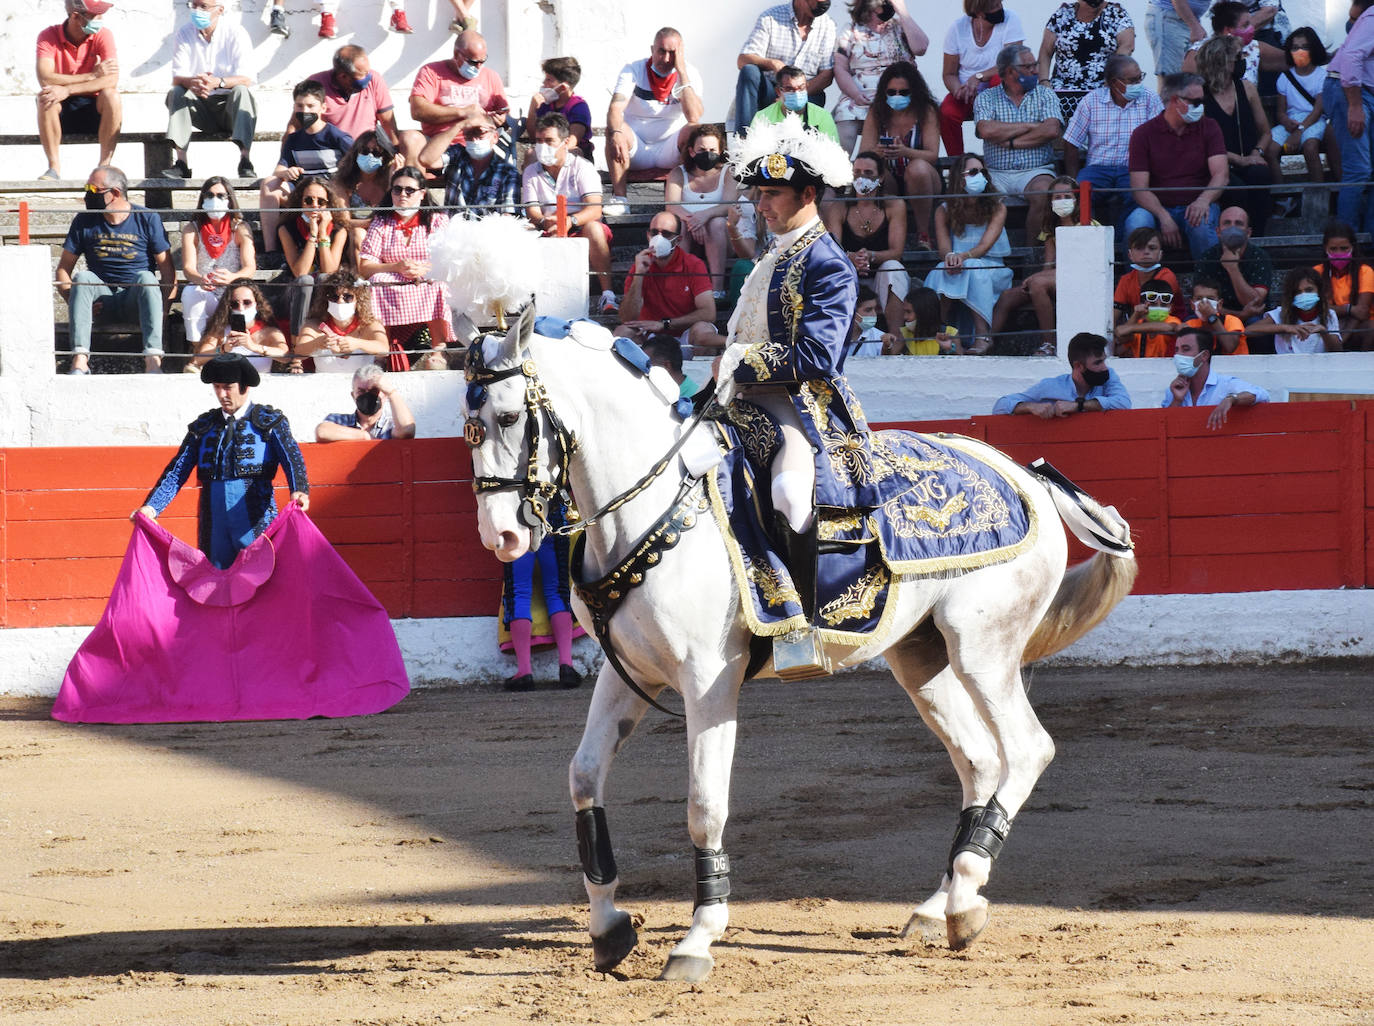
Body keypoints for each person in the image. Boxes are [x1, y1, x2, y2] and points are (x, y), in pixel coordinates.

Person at [712, 117, 862, 663]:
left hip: (799, 407)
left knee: (790, 496)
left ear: (808, 195)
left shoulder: (829, 264)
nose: (761, 205)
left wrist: (738, 361)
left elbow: (817, 357)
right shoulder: (772, 256)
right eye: (758, 194)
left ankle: (802, 627)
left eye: (772, 194)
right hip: (737, 402)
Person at [135, 353, 309, 569]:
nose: (221, 394)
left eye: (228, 387)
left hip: (255, 516)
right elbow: (178, 470)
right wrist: (152, 507)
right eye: (217, 387)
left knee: (262, 573)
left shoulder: (269, 422)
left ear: (245, 386)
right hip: (214, 518)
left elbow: (292, 458)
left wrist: (300, 490)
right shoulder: (204, 426)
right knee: (216, 576)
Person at [55, 165, 174, 375]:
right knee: (83, 277)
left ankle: (153, 360)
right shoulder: (84, 220)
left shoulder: (147, 218)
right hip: (102, 301)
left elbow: (167, 271)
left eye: (93, 190)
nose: (87, 195)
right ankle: (80, 361)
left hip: (135, 301)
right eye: (87, 188)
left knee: (146, 277)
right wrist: (75, 301)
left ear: (115, 193)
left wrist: (162, 309)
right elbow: (63, 269)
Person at [1124, 72, 1228, 259]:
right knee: (1136, 223)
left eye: (1202, 101)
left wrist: (1203, 200)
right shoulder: (1143, 134)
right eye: (1195, 102)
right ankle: (1135, 276)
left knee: (1202, 226)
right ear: (1174, 100)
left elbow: (1221, 174)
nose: (1201, 107)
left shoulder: (1210, 127)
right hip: (1156, 207)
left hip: (1197, 203)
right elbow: (1139, 188)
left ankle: (1209, 276)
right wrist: (1163, 216)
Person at [522, 112, 617, 314]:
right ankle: (525, 300)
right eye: (538, 141)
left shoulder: (583, 167)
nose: (542, 146)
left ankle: (608, 295)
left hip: (580, 225)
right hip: (547, 226)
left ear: (565, 142)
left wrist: (569, 221)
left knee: (594, 228)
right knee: (521, 233)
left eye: (549, 141)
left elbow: (594, 209)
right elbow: (532, 211)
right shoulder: (531, 171)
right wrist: (545, 222)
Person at [605, 27, 704, 215]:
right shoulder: (633, 69)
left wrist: (682, 72)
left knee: (695, 130)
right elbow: (615, 109)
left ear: (680, 53)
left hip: (670, 149)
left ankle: (686, 198)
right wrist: (616, 132)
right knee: (614, 128)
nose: (666, 59)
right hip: (635, 148)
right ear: (652, 49)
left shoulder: (690, 73)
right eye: (661, 51)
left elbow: (694, 117)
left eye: (672, 53)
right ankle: (620, 199)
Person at [360, 165, 454, 359]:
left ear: (422, 194)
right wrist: (396, 267)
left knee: (437, 282)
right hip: (392, 276)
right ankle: (382, 350)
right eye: (397, 189)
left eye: (410, 190)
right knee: (377, 281)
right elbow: (365, 266)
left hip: (428, 274)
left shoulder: (437, 220)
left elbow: (449, 258)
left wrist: (424, 268)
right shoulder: (381, 221)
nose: (403, 194)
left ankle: (438, 350)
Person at [974, 43, 1064, 241]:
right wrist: (1031, 126)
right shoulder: (987, 97)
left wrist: (1011, 143)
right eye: (1028, 66)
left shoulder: (1045, 94)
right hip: (996, 173)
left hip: (1036, 171)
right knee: (976, 194)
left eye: (1035, 64)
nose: (1035, 70)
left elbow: (1051, 129)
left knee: (1044, 192)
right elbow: (986, 130)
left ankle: (1032, 252)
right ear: (1009, 71)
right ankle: (988, 253)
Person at [991, 175, 1091, 352]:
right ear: (1050, 202)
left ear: (1077, 199)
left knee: (1037, 283)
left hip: (1079, 280)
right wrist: (1038, 278)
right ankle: (987, 341)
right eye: (1057, 197)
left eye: (1067, 197)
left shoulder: (1088, 226)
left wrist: (1035, 278)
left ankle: (1048, 344)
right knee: (1007, 296)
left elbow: (1079, 267)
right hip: (1055, 281)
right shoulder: (1050, 229)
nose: (1062, 201)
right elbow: (1048, 265)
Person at [923, 152, 1012, 352]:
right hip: (958, 265)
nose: (979, 176)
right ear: (959, 178)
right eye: (973, 172)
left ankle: (982, 336)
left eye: (982, 172)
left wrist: (962, 257)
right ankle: (937, 331)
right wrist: (950, 258)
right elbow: (944, 247)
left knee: (973, 266)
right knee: (940, 270)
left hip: (992, 267)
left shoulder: (998, 207)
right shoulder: (944, 209)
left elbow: (984, 246)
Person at [1063, 55, 1162, 227]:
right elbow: (1071, 141)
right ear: (1115, 82)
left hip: (1133, 169)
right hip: (1097, 169)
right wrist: (1073, 180)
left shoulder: (1150, 99)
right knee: (1079, 197)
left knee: (1138, 198)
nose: (1139, 83)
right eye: (1133, 80)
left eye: (1140, 77)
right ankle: (1090, 235)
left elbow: (1160, 140)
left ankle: (1122, 238)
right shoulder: (1091, 101)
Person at [162, 0, 256, 180]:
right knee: (177, 93)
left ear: (219, 10)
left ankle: (245, 160)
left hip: (229, 107)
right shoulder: (184, 33)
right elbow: (177, 78)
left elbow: (246, 78)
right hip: (200, 105)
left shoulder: (236, 33)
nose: (197, 10)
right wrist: (195, 82)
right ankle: (181, 163)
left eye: (203, 6)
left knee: (242, 91)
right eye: (194, 5)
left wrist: (218, 82)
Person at [259, 79, 354, 252]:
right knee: (268, 184)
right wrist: (287, 173)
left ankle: (348, 247)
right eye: (300, 106)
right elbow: (279, 169)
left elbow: (356, 164)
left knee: (339, 187)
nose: (305, 111)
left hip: (330, 197)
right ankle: (270, 251)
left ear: (323, 108)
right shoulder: (293, 139)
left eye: (311, 106)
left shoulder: (337, 137)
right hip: (303, 197)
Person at [500, 493, 581, 692]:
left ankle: (524, 671)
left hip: (516, 516)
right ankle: (566, 665)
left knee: (518, 592)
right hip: (551, 513)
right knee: (557, 590)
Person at [823, 151, 909, 333]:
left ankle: (895, 337)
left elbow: (896, 252)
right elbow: (832, 250)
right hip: (849, 274)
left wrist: (870, 256)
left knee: (894, 268)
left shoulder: (894, 205)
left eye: (868, 173)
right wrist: (850, 258)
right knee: (833, 268)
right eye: (857, 172)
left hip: (881, 277)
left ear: (881, 177)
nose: (861, 177)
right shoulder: (838, 207)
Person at [35, 0, 121, 180]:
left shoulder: (103, 35)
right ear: (75, 16)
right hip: (60, 110)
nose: (100, 19)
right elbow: (45, 78)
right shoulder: (48, 35)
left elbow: (111, 79)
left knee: (112, 95)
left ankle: (104, 166)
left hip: (94, 109)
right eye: (95, 15)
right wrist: (92, 75)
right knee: (45, 97)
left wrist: (67, 89)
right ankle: (54, 168)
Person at [1196, 35, 1274, 234]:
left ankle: (1257, 234)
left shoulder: (1246, 88)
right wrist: (1239, 160)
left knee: (1260, 175)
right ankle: (1230, 236)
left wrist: (1256, 153)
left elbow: (1265, 132)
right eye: (1237, 57)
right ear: (1221, 61)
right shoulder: (1200, 95)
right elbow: (1200, 143)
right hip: (1217, 164)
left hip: (1249, 157)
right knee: (1234, 187)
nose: (1242, 61)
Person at [858, 60, 941, 244]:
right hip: (889, 178)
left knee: (917, 169)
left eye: (903, 92)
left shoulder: (926, 111)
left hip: (924, 179)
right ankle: (882, 236)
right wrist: (878, 152)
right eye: (891, 92)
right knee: (871, 173)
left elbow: (932, 155)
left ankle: (923, 234)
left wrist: (905, 152)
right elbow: (863, 155)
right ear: (884, 92)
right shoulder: (877, 111)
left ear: (914, 91)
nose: (897, 96)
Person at [832, 0, 929, 155]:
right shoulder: (850, 30)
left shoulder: (900, 26)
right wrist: (855, 94)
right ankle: (841, 168)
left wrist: (903, 12)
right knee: (845, 117)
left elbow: (921, 48)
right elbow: (840, 67)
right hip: (861, 94)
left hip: (899, 92)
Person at [616, 211, 720, 355]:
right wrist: (639, 275)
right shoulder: (640, 264)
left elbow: (709, 313)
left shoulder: (693, 264)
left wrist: (665, 324)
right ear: (648, 235)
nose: (658, 238)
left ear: (678, 240)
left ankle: (732, 347)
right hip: (650, 337)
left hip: (685, 336)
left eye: (666, 234)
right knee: (622, 333)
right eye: (654, 233)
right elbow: (627, 318)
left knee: (703, 330)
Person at [409, 30, 510, 173]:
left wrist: (501, 119)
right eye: (473, 62)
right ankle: (414, 185)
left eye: (482, 61)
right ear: (457, 55)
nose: (478, 67)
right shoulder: (431, 72)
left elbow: (504, 115)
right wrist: (463, 113)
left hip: (479, 144)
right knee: (410, 138)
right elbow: (417, 110)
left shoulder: (491, 76)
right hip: (440, 145)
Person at [735, 0, 837, 135]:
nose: (823, 4)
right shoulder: (770, 18)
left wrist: (795, 94)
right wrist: (773, 64)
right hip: (772, 90)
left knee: (813, 104)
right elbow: (743, 60)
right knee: (749, 72)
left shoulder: (828, 25)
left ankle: (805, 145)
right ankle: (744, 138)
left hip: (807, 92)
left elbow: (827, 75)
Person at [940, 0, 1026, 157]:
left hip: (998, 89)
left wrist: (978, 77)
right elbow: (949, 74)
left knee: (1000, 80)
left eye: (1000, 3)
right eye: (994, 6)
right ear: (979, 12)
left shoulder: (1011, 19)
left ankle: (1002, 154)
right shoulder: (957, 28)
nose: (1000, 8)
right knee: (947, 112)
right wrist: (959, 90)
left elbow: (1011, 63)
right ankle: (958, 163)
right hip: (969, 93)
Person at [180, 176, 257, 351]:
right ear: (202, 199)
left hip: (232, 294)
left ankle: (228, 348)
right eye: (209, 195)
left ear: (229, 199)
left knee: (243, 297)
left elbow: (250, 268)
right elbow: (188, 268)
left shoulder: (240, 227)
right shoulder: (192, 228)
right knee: (191, 291)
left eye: (221, 196)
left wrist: (233, 278)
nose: (215, 200)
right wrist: (200, 280)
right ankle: (198, 348)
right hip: (206, 291)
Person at [665, 125, 739, 298]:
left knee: (717, 223)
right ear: (691, 152)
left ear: (720, 151)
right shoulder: (678, 173)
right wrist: (693, 221)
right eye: (702, 150)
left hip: (721, 239)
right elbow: (672, 206)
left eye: (713, 150)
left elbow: (728, 205)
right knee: (680, 224)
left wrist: (704, 216)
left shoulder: (728, 172)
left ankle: (717, 289)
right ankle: (682, 287)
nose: (708, 154)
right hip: (689, 235)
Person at [275, 177, 349, 343]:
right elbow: (299, 272)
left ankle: (323, 337)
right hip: (294, 291)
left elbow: (330, 271)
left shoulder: (339, 230)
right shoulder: (287, 228)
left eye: (321, 202)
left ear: (328, 205)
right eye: (309, 200)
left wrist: (322, 233)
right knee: (306, 280)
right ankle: (297, 343)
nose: (314, 205)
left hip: (324, 289)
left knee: (324, 278)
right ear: (300, 202)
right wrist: (312, 235)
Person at [306, 45, 411, 160]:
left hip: (367, 154)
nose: (368, 77)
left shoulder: (374, 79)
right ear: (343, 76)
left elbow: (388, 122)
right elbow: (298, 123)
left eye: (368, 72)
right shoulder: (316, 84)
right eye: (363, 75)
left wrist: (395, 153)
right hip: (330, 154)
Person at [1037, 0, 1134, 121]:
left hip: (1102, 90)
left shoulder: (1116, 13)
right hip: (1061, 92)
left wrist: (1112, 79)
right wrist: (1044, 82)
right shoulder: (1062, 14)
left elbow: (1127, 46)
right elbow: (1045, 51)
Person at [992, 331, 1131, 415]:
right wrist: (1030, 406)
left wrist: (1078, 405)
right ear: (1078, 366)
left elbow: (1124, 403)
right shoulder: (1050, 386)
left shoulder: (1108, 376)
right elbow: (1000, 406)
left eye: (1104, 361)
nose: (1104, 368)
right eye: (1097, 363)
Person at [1162, 325, 1270, 430]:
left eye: (1186, 349)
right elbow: (1164, 427)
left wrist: (1232, 399)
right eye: (1176, 350)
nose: (1178, 355)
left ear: (1204, 355)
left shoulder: (1225, 384)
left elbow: (1262, 395)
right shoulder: (1174, 390)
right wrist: (1177, 400)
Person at [1264, 28, 1335, 187]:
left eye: (1305, 47)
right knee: (1269, 150)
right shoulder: (1285, 77)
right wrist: (1287, 122)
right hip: (1292, 122)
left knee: (1310, 147)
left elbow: (1317, 110)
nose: (1300, 51)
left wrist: (1300, 130)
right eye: (1295, 47)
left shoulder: (1321, 76)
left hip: (1313, 121)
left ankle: (1318, 192)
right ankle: (1282, 194)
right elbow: (1281, 111)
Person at [295, 273, 391, 374]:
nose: (340, 301)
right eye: (334, 297)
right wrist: (318, 343)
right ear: (326, 300)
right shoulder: (315, 325)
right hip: (324, 383)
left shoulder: (368, 324)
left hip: (361, 383)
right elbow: (298, 352)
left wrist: (357, 343)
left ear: (358, 300)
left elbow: (384, 349)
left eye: (347, 297)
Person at [1195, 206, 1274, 322]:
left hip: (1254, 318)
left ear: (1248, 233)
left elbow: (1255, 303)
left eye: (1238, 223)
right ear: (1218, 232)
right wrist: (1240, 315)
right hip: (1216, 316)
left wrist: (1233, 268)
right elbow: (1202, 304)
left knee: (1254, 321)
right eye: (1227, 223)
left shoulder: (1260, 257)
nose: (1232, 228)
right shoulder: (1207, 258)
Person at [190, 281, 289, 373]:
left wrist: (253, 347)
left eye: (247, 302)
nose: (241, 308)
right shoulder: (220, 330)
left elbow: (286, 356)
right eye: (234, 304)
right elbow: (197, 360)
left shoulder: (269, 332)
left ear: (257, 304)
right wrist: (223, 348)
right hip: (227, 383)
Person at [1181, 0, 1286, 84]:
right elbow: (1186, 88)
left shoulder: (1253, 47)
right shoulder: (1198, 52)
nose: (1252, 28)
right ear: (1227, 30)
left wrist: (1295, 44)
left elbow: (1289, 60)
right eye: (1245, 25)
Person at [1244, 266, 1343, 352]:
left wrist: (1324, 332)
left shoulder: (1329, 314)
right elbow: (1248, 331)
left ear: (1319, 291)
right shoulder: (1280, 313)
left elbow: (1337, 350)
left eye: (1309, 290)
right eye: (1297, 292)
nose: (1303, 295)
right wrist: (1285, 328)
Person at [522, 56, 593, 163]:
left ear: (563, 87)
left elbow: (572, 141)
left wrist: (551, 155)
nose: (544, 83)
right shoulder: (546, 105)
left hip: (570, 152)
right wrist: (533, 108)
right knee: (530, 154)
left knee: (575, 152)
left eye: (549, 80)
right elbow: (533, 136)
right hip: (548, 149)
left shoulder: (578, 107)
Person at [444, 117, 520, 217]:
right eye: (469, 134)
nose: (474, 139)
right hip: (451, 224)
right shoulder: (456, 154)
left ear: (495, 137)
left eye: (480, 133)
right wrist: (458, 126)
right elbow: (427, 160)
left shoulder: (508, 172)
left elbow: (508, 215)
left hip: (488, 226)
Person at [1315, 221, 1373, 350]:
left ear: (1353, 248)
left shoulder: (1365, 271)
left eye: (1344, 248)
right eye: (1333, 249)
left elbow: (1362, 312)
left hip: (1358, 327)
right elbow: (1318, 308)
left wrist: (1341, 341)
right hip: (1328, 325)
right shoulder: (1317, 272)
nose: (1338, 253)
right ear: (1325, 249)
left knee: (1371, 329)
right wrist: (1349, 309)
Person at [317, 364, 415, 440]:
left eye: (374, 391)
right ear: (353, 396)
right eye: (361, 391)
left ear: (385, 395)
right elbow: (322, 431)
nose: (367, 395)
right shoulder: (339, 421)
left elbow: (407, 430)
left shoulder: (391, 425)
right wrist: (365, 436)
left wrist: (392, 393)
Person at [1113, 225, 1186, 324]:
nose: (1146, 252)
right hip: (1140, 324)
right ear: (1130, 255)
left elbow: (1158, 317)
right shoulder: (1126, 280)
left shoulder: (1167, 276)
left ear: (1160, 254)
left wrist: (1126, 329)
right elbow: (1113, 317)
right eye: (1139, 248)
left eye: (1152, 248)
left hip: (1171, 325)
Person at [751, 65, 840, 142]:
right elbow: (754, 151)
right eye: (790, 89)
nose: (797, 93)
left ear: (806, 87)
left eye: (801, 88)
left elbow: (832, 151)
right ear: (778, 91)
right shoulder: (762, 117)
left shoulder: (822, 116)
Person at [1115, 275, 1182, 357]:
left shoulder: (1173, 320)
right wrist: (1136, 315)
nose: (1158, 307)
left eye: (1163, 305)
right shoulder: (1137, 323)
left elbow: (1170, 326)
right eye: (1153, 304)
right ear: (1142, 305)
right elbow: (1122, 339)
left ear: (1170, 308)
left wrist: (1131, 328)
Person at [1184, 273, 1249, 353]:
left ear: (1220, 304)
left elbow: (1230, 347)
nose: (1205, 302)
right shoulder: (1190, 324)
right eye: (1199, 298)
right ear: (1192, 305)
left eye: (1210, 298)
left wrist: (1211, 317)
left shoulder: (1232, 320)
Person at [1144, 0, 1208, 78]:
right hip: (1169, 18)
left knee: (1191, 77)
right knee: (1171, 77)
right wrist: (1195, 27)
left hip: (1190, 20)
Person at [891, 286, 960, 354]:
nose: (904, 317)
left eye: (908, 312)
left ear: (924, 313)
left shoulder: (950, 333)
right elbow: (888, 358)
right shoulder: (905, 333)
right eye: (904, 311)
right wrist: (887, 345)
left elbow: (962, 360)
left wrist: (949, 348)